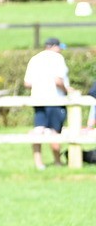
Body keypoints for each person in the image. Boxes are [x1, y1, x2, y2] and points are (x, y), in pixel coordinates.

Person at [24, 37, 72, 170]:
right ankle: (57, 161)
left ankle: (38, 162)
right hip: (54, 98)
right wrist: (67, 90)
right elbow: (58, 80)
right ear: (55, 46)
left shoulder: (35, 58)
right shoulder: (57, 58)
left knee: (38, 129)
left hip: (38, 98)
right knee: (54, 130)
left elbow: (27, 83)